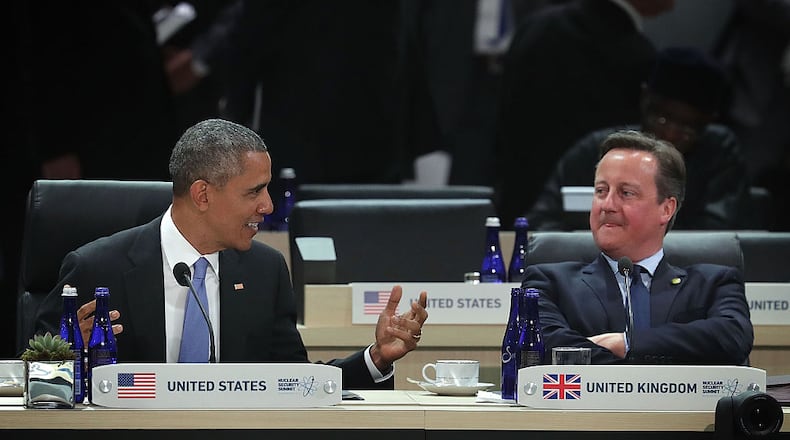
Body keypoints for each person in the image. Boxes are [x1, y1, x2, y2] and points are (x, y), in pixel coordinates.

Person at [32, 118, 429, 390]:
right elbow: (32, 375)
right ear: (202, 194)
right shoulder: (98, 268)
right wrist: (69, 357)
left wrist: (376, 358)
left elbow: (294, 382)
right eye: (254, 191)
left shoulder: (265, 271)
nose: (268, 206)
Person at [522, 130, 753, 365]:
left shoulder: (713, 284)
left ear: (666, 209)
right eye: (601, 191)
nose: (607, 205)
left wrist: (628, 344)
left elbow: (731, 338)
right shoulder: (549, 283)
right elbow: (544, 347)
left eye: (626, 193)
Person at [526, 46, 754, 231]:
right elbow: (540, 222)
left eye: (688, 128)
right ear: (644, 101)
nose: (671, 134)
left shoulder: (718, 151)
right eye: (662, 119)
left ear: (708, 122)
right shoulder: (598, 149)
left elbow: (719, 235)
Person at [494, 0, 674, 228]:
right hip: (584, 221)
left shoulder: (537, 25)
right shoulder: (635, 54)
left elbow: (503, 120)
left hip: (516, 203)